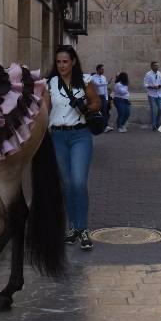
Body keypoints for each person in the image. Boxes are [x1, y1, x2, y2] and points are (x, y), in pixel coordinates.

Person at [47, 46, 101, 250]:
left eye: (65, 61)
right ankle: (73, 228)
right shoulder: (50, 83)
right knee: (67, 185)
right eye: (59, 62)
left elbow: (97, 103)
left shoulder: (85, 81)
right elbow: (45, 110)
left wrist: (86, 106)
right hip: (58, 137)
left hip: (80, 136)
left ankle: (83, 228)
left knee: (79, 182)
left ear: (73, 62)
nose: (61, 65)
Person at [144, 61, 161, 131]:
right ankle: (154, 125)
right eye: (155, 65)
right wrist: (152, 87)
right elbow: (145, 84)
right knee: (154, 110)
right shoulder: (148, 74)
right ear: (152, 66)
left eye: (157, 65)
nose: (157, 67)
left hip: (159, 94)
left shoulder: (159, 73)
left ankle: (157, 122)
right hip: (152, 94)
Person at [90, 64, 112, 132]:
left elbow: (105, 89)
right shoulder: (93, 77)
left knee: (104, 112)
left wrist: (106, 98)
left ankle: (105, 126)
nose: (103, 70)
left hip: (103, 96)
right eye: (102, 69)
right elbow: (97, 84)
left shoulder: (104, 77)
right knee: (96, 112)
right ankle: (95, 127)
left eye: (103, 69)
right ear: (98, 69)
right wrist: (107, 83)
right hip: (96, 97)